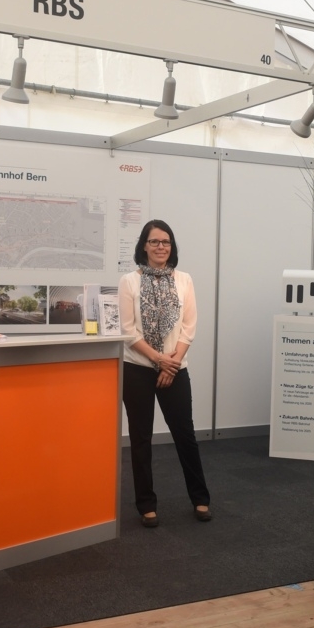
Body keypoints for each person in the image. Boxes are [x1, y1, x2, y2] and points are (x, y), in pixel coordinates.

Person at [119, 219, 211, 528]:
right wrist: (160, 360)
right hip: (138, 368)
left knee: (185, 435)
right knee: (141, 437)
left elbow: (189, 327)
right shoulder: (128, 282)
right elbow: (128, 331)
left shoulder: (184, 279)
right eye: (155, 241)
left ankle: (200, 498)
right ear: (144, 246)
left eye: (166, 242)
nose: (161, 247)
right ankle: (146, 505)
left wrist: (173, 362)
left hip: (175, 367)